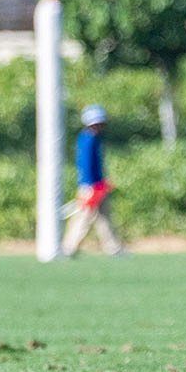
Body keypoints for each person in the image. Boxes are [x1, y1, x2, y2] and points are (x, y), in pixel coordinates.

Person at [64, 104, 126, 257]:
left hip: (98, 185)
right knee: (83, 218)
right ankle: (68, 248)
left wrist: (103, 182)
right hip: (90, 187)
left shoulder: (93, 138)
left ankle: (113, 248)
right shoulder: (87, 139)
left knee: (104, 217)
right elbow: (86, 165)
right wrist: (92, 185)